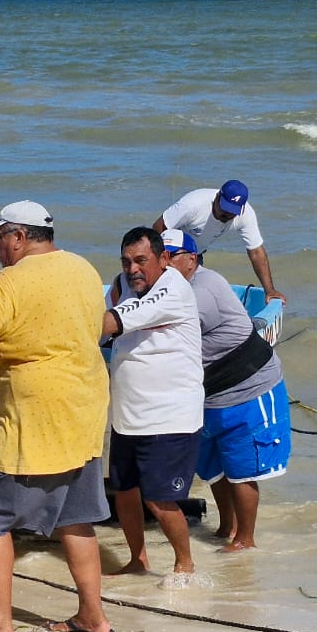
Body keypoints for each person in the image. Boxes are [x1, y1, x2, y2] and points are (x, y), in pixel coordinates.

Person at [0, 200, 115, 632]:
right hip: (84, 407)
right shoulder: (84, 269)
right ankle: (93, 617)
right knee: (76, 518)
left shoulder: (8, 282)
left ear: (18, 236)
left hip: (31, 417)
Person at [162, 230, 291, 551]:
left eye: (171, 256)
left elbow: (167, 330)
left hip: (249, 387)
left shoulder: (202, 289)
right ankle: (225, 527)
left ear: (191, 259)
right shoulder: (166, 288)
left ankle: (246, 539)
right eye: (158, 256)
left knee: (241, 470)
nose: (163, 263)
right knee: (213, 468)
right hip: (207, 395)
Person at [102, 227, 204, 578]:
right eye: (127, 262)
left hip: (168, 417)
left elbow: (111, 322)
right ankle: (137, 560)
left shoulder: (173, 290)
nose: (133, 269)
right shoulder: (127, 285)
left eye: (141, 261)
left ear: (163, 260)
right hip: (127, 416)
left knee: (159, 500)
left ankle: (185, 567)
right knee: (125, 491)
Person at [152, 180, 286, 304]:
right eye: (225, 209)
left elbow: (256, 252)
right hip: (171, 254)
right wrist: (160, 263)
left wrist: (269, 290)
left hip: (195, 255)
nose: (226, 216)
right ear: (217, 197)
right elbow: (158, 228)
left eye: (232, 212)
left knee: (194, 297)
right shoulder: (193, 204)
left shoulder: (246, 215)